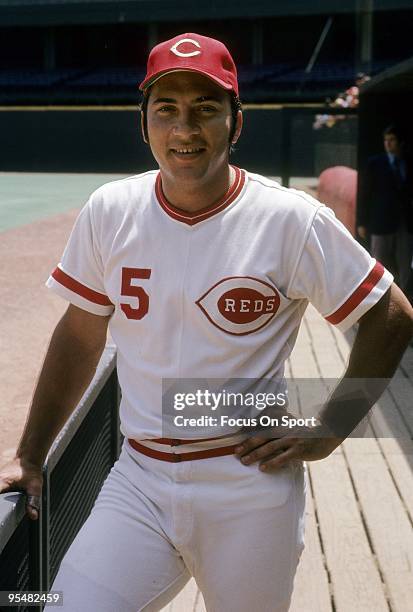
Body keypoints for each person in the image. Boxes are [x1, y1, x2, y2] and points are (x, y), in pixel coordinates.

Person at [0, 33, 412, 612]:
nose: (184, 129)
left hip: (248, 486)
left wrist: (330, 427)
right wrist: (32, 453)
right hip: (139, 476)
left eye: (205, 109)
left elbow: (391, 315)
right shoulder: (110, 209)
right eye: (165, 110)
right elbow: (80, 333)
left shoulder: (290, 220)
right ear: (143, 124)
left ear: (235, 123)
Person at [357, 124, 413, 292]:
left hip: (405, 223)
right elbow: (365, 194)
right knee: (379, 262)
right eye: (386, 140)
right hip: (381, 221)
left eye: (392, 140)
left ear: (400, 142)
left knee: (405, 262)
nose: (388, 143)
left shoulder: (408, 162)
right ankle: (379, 296)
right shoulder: (375, 163)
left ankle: (405, 297)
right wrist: (362, 221)